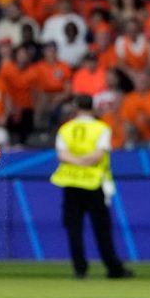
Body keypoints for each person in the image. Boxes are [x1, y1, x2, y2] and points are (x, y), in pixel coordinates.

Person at [50, 94, 133, 280]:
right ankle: (113, 267)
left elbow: (62, 155)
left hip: (71, 182)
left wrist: (76, 162)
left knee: (74, 228)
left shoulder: (66, 128)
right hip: (94, 183)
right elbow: (99, 155)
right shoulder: (101, 128)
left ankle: (80, 269)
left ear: (75, 106)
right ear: (92, 107)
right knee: (102, 229)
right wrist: (85, 162)